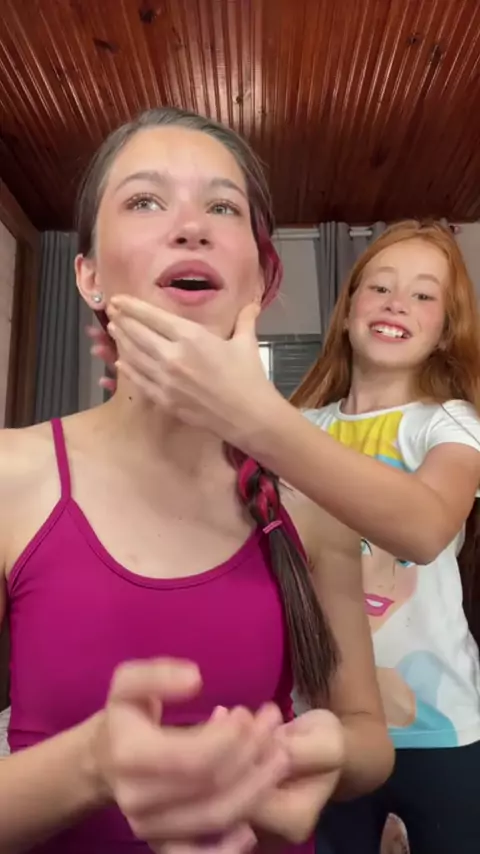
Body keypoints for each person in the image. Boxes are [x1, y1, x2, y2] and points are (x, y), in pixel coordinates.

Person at [0, 107, 392, 854]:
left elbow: (369, 739)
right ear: (88, 276)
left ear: (261, 279)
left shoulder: (310, 500)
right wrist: (91, 764)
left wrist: (328, 751)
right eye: (146, 201)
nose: (191, 227)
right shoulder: (9, 477)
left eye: (223, 207)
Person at [94, 220, 480, 854]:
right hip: (320, 729)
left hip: (441, 730)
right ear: (348, 310)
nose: (396, 304)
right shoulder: (300, 424)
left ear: (445, 331)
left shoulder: (448, 423)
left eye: (422, 295)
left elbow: (426, 528)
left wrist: (262, 420)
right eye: (380, 287)